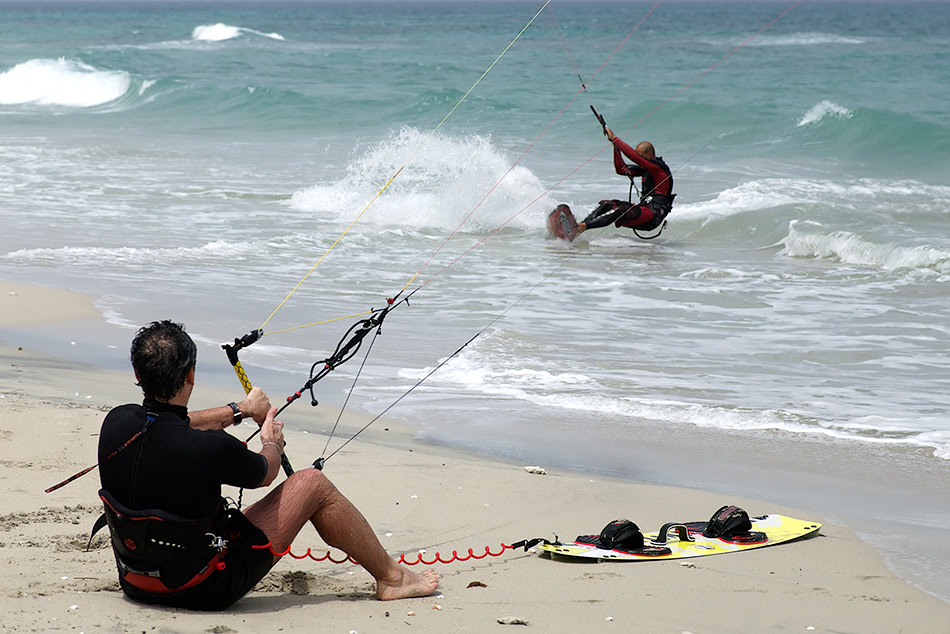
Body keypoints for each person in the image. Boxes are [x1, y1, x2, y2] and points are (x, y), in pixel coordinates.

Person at [97, 320, 438, 611]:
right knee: (312, 483)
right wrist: (272, 440)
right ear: (191, 375)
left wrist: (241, 409)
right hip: (204, 589)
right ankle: (392, 579)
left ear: (138, 374)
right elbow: (266, 471)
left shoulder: (117, 424)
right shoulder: (212, 449)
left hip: (136, 581)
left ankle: (392, 577)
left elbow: (173, 425)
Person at [576, 127, 675, 236]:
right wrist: (615, 147)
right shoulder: (646, 169)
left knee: (620, 210)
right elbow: (621, 169)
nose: (639, 160)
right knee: (607, 204)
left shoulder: (660, 169)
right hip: (643, 211)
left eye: (641, 156)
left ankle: (584, 226)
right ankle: (579, 227)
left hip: (652, 216)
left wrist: (615, 139)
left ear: (650, 154)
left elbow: (635, 158)